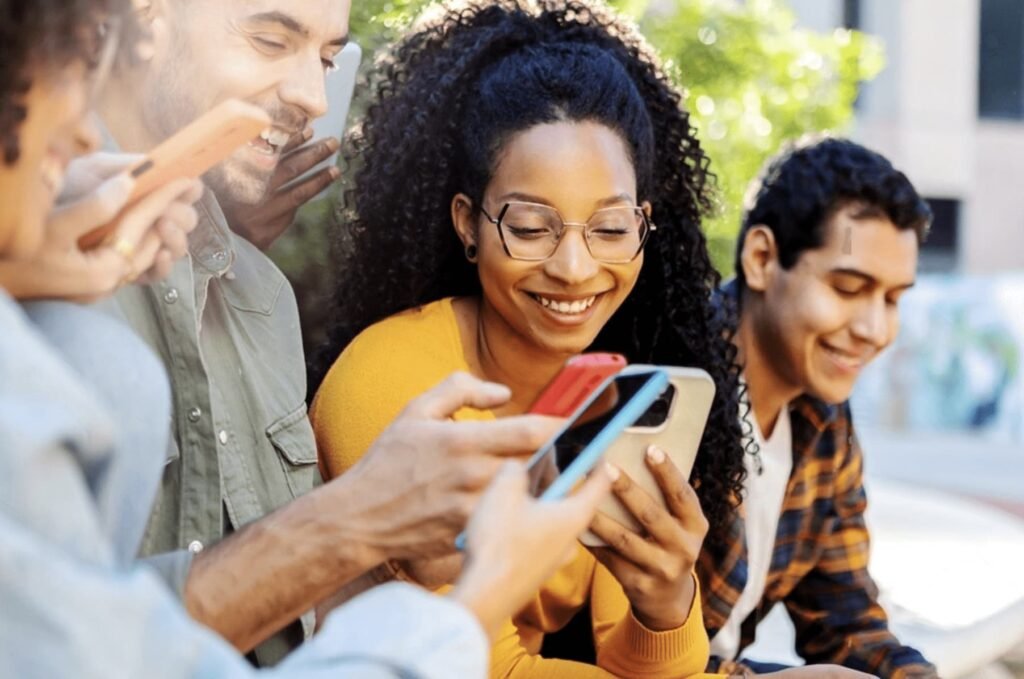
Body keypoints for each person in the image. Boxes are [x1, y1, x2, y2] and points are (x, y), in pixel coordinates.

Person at [0, 8, 619, 676]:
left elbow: (300, 610)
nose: (314, 99)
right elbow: (87, 646)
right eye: (270, 39)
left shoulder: (259, 296)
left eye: (326, 60)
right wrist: (408, 556)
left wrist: (400, 546)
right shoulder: (52, 320)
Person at [309, 1, 751, 676]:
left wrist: (664, 601)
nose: (575, 267)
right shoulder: (391, 385)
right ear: (469, 223)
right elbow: (481, 667)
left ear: (644, 224)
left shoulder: (615, 396)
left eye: (608, 229)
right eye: (531, 226)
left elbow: (645, 665)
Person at [700, 135, 939, 677]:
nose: (874, 329)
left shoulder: (823, 415)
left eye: (893, 298)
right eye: (849, 287)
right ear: (762, 259)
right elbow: (622, 654)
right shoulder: (674, 388)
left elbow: (847, 625)